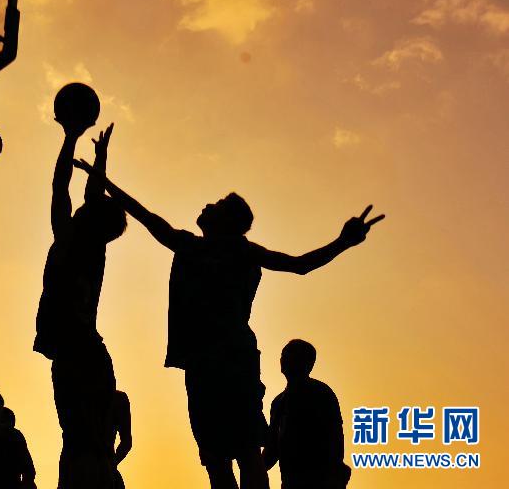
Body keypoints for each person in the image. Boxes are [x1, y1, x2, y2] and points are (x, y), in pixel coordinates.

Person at [73, 159, 382, 489]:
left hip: (228, 362)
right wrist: (105, 182)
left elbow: (300, 265)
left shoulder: (230, 250)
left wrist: (343, 242)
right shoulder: (196, 246)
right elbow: (148, 218)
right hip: (209, 363)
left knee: (239, 453)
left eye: (216, 205)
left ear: (227, 223)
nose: (207, 205)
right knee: (222, 456)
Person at [34, 86, 128, 489]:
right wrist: (101, 159)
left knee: (79, 443)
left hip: (78, 353)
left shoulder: (71, 240)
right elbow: (90, 194)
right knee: (90, 443)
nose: (88, 201)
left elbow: (61, 188)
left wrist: (70, 138)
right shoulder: (93, 246)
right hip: (87, 350)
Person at [263, 340, 350, 489]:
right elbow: (272, 448)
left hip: (320, 480)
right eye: (284, 355)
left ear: (309, 364)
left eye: (293, 356)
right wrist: (252, 467)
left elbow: (335, 438)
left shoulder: (322, 394)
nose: (285, 360)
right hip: (291, 481)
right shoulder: (278, 403)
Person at [111, 390, 132, 489]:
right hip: (106, 465)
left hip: (74, 465)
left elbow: (126, 442)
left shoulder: (118, 399)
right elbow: (126, 442)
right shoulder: (119, 399)